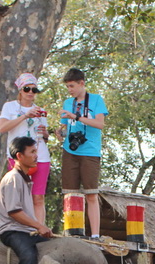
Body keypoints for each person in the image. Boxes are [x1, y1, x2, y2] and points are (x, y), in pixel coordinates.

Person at [0, 137, 53, 264]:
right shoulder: (12, 178)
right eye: (32, 152)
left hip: (25, 230)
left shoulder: (24, 178)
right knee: (28, 255)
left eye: (36, 152)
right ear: (19, 156)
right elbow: (14, 212)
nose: (36, 156)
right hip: (12, 230)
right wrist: (39, 226)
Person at [56, 68, 108, 239]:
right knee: (70, 194)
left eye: (72, 86)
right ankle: (71, 232)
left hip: (90, 152)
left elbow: (100, 124)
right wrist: (60, 133)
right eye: (68, 87)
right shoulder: (67, 103)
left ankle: (95, 234)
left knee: (91, 194)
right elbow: (65, 127)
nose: (70, 90)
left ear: (82, 83)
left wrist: (77, 117)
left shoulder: (96, 100)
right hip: (70, 151)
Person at [0, 73, 51, 226]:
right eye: (27, 89)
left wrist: (45, 134)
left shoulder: (40, 111)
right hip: (19, 156)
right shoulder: (10, 107)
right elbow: (2, 128)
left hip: (40, 156)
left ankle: (39, 227)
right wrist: (25, 116)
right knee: (20, 194)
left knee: (38, 197)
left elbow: (44, 136)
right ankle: (22, 226)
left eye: (34, 90)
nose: (30, 93)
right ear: (20, 90)